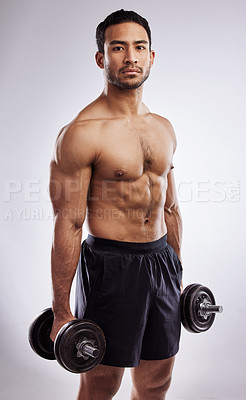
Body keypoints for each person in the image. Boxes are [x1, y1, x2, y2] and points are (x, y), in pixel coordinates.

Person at [49, 9, 183, 400]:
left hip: (160, 263)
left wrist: (175, 271)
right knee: (102, 383)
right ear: (101, 58)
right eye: (118, 47)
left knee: (157, 378)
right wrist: (61, 310)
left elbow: (170, 208)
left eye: (140, 47)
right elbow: (69, 223)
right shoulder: (80, 132)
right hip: (111, 266)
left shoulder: (163, 127)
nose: (131, 58)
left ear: (152, 56)